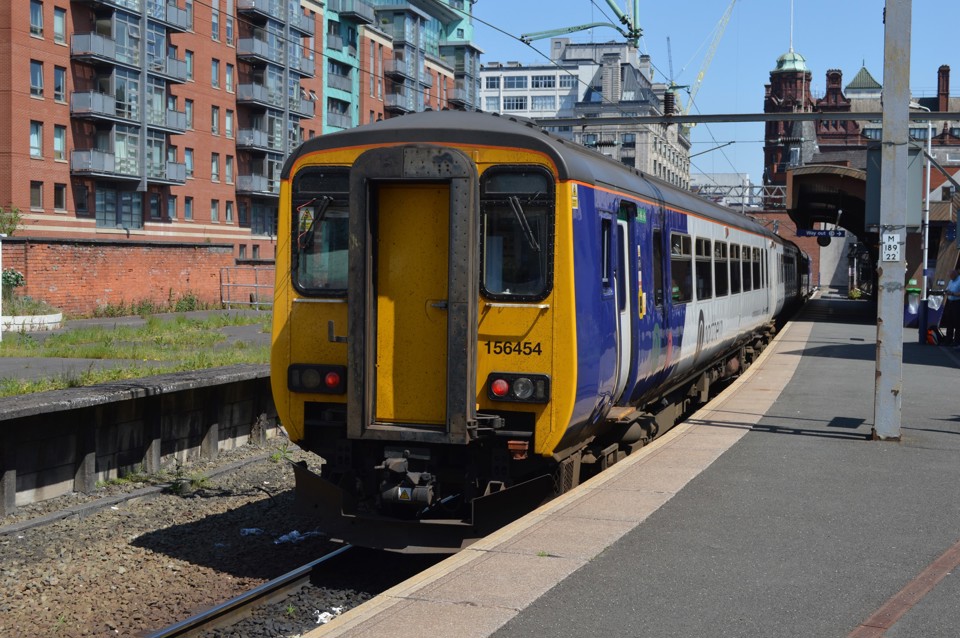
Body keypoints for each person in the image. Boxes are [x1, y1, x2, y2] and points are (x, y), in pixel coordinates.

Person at [942, 268, 960, 346]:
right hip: (950, 302)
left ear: (955, 274)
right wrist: (946, 292)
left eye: (951, 276)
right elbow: (948, 289)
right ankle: (948, 340)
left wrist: (952, 293)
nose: (950, 277)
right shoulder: (951, 281)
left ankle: (957, 341)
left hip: (957, 303)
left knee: (957, 323)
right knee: (949, 322)